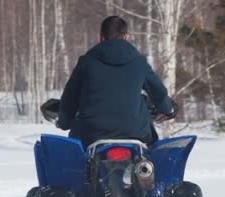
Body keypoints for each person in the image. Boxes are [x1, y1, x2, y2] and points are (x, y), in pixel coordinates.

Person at [57, 16, 174, 147]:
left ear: (101, 37)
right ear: (126, 37)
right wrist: (167, 109)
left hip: (91, 135)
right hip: (136, 134)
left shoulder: (86, 62)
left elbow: (69, 99)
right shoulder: (139, 62)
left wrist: (64, 122)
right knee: (151, 161)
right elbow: (159, 93)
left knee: (76, 164)